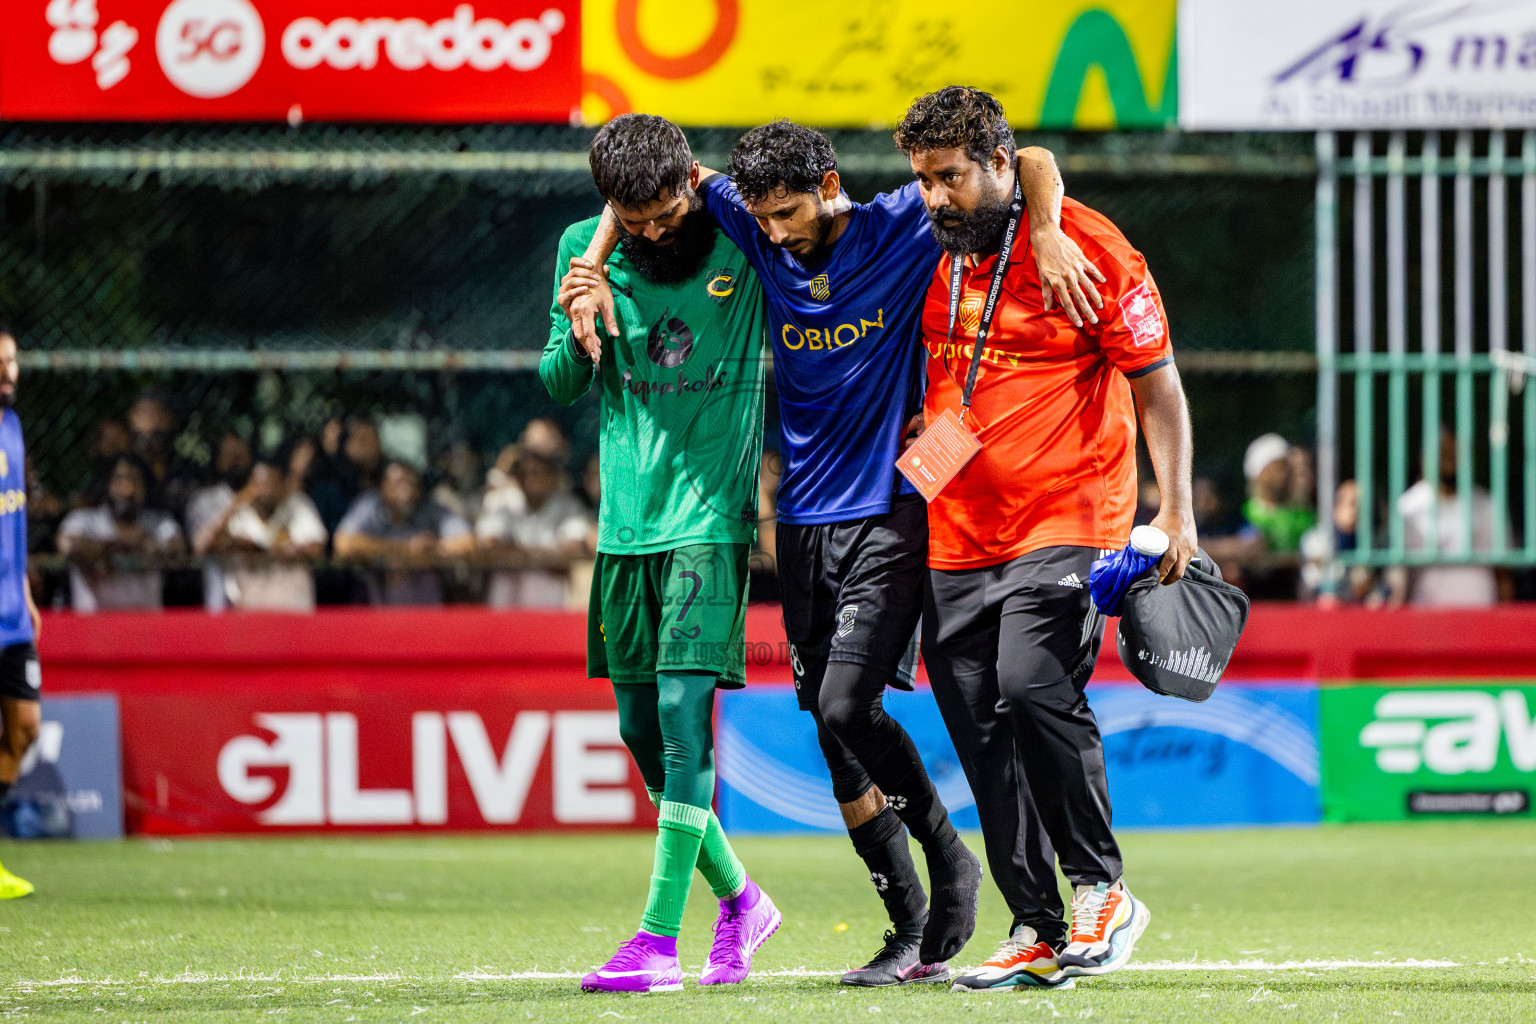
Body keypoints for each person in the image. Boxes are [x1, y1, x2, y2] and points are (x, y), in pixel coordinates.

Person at [563, 114, 1103, 986]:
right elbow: (645, 188)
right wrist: (588, 270)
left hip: (893, 504)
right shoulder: (743, 213)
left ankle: (951, 858)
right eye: (761, 217)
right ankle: (906, 921)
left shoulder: (901, 221)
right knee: (828, 724)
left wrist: (1043, 224)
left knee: (848, 703)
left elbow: (1031, 157)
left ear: (828, 187)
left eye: (786, 216)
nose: (772, 235)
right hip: (803, 521)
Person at [895, 86, 1196, 988]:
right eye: (923, 180)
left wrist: (1174, 510)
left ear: (998, 163)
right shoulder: (930, 243)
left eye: (951, 177)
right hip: (956, 529)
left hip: (1072, 514)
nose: (936, 197)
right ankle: (1032, 922)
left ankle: (1102, 889)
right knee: (978, 729)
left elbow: (1159, 389)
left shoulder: (1090, 248)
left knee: (1033, 686)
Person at [546, 114, 779, 994]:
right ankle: (742, 900)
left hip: (711, 520)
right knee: (639, 730)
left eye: (661, 210)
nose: (650, 231)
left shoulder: (743, 235)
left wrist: (621, 228)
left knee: (682, 723)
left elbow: (781, 203)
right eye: (628, 217)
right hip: (625, 527)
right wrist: (579, 316)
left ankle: (655, 942)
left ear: (691, 177)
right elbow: (561, 382)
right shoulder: (582, 247)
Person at [0, 328, 42, 897]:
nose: (6, 371)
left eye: (11, 362)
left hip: (11, 612)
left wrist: (27, 592)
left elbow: (16, 520)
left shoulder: (12, 426)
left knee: (25, 729)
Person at [1387, 430, 1514, 608]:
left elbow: (1502, 572)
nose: (1449, 460)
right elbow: (1400, 574)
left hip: (1481, 614)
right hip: (1427, 617)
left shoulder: (1487, 505)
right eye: (1443, 453)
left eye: (1455, 453)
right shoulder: (1408, 508)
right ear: (1424, 459)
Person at [191, 459, 327, 612]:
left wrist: (280, 549)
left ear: (282, 485)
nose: (264, 491)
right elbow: (202, 546)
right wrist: (235, 505)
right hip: (249, 612)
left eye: (269, 484)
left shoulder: (296, 505)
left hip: (293, 610)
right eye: (258, 484)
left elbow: (316, 547)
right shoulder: (241, 514)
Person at [333, 461, 473, 606]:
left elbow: (467, 542)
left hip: (428, 610)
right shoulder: (370, 505)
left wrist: (434, 546)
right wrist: (402, 548)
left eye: (411, 483)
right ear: (383, 486)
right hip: (378, 611)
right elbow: (343, 543)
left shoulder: (430, 508)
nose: (405, 489)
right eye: (397, 483)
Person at [57, 455, 185, 612]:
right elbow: (68, 546)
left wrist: (140, 546)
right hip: (94, 626)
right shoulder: (85, 520)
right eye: (119, 480)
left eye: (134, 481)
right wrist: (116, 545)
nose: (127, 489)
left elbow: (176, 548)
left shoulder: (158, 522)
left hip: (146, 625)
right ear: (108, 485)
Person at [476, 448, 592, 609]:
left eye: (537, 473)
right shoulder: (499, 502)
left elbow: (574, 546)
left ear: (553, 476)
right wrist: (543, 556)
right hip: (506, 601)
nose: (531, 479)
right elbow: (489, 544)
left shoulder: (569, 505)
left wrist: (519, 552)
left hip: (551, 603)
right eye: (525, 474)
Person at [184, 433, 255, 612]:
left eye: (239, 456)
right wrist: (236, 505)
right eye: (229, 456)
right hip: (218, 601)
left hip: (258, 602)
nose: (235, 461)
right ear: (219, 461)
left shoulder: (263, 499)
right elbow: (200, 545)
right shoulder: (202, 501)